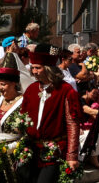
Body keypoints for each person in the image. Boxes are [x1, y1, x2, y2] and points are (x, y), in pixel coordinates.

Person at [22, 43, 81, 183]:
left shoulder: (66, 90)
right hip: (32, 151)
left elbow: (72, 123)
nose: (34, 72)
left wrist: (72, 156)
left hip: (54, 151)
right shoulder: (31, 89)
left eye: (38, 68)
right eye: (33, 68)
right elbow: (23, 117)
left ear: (48, 69)